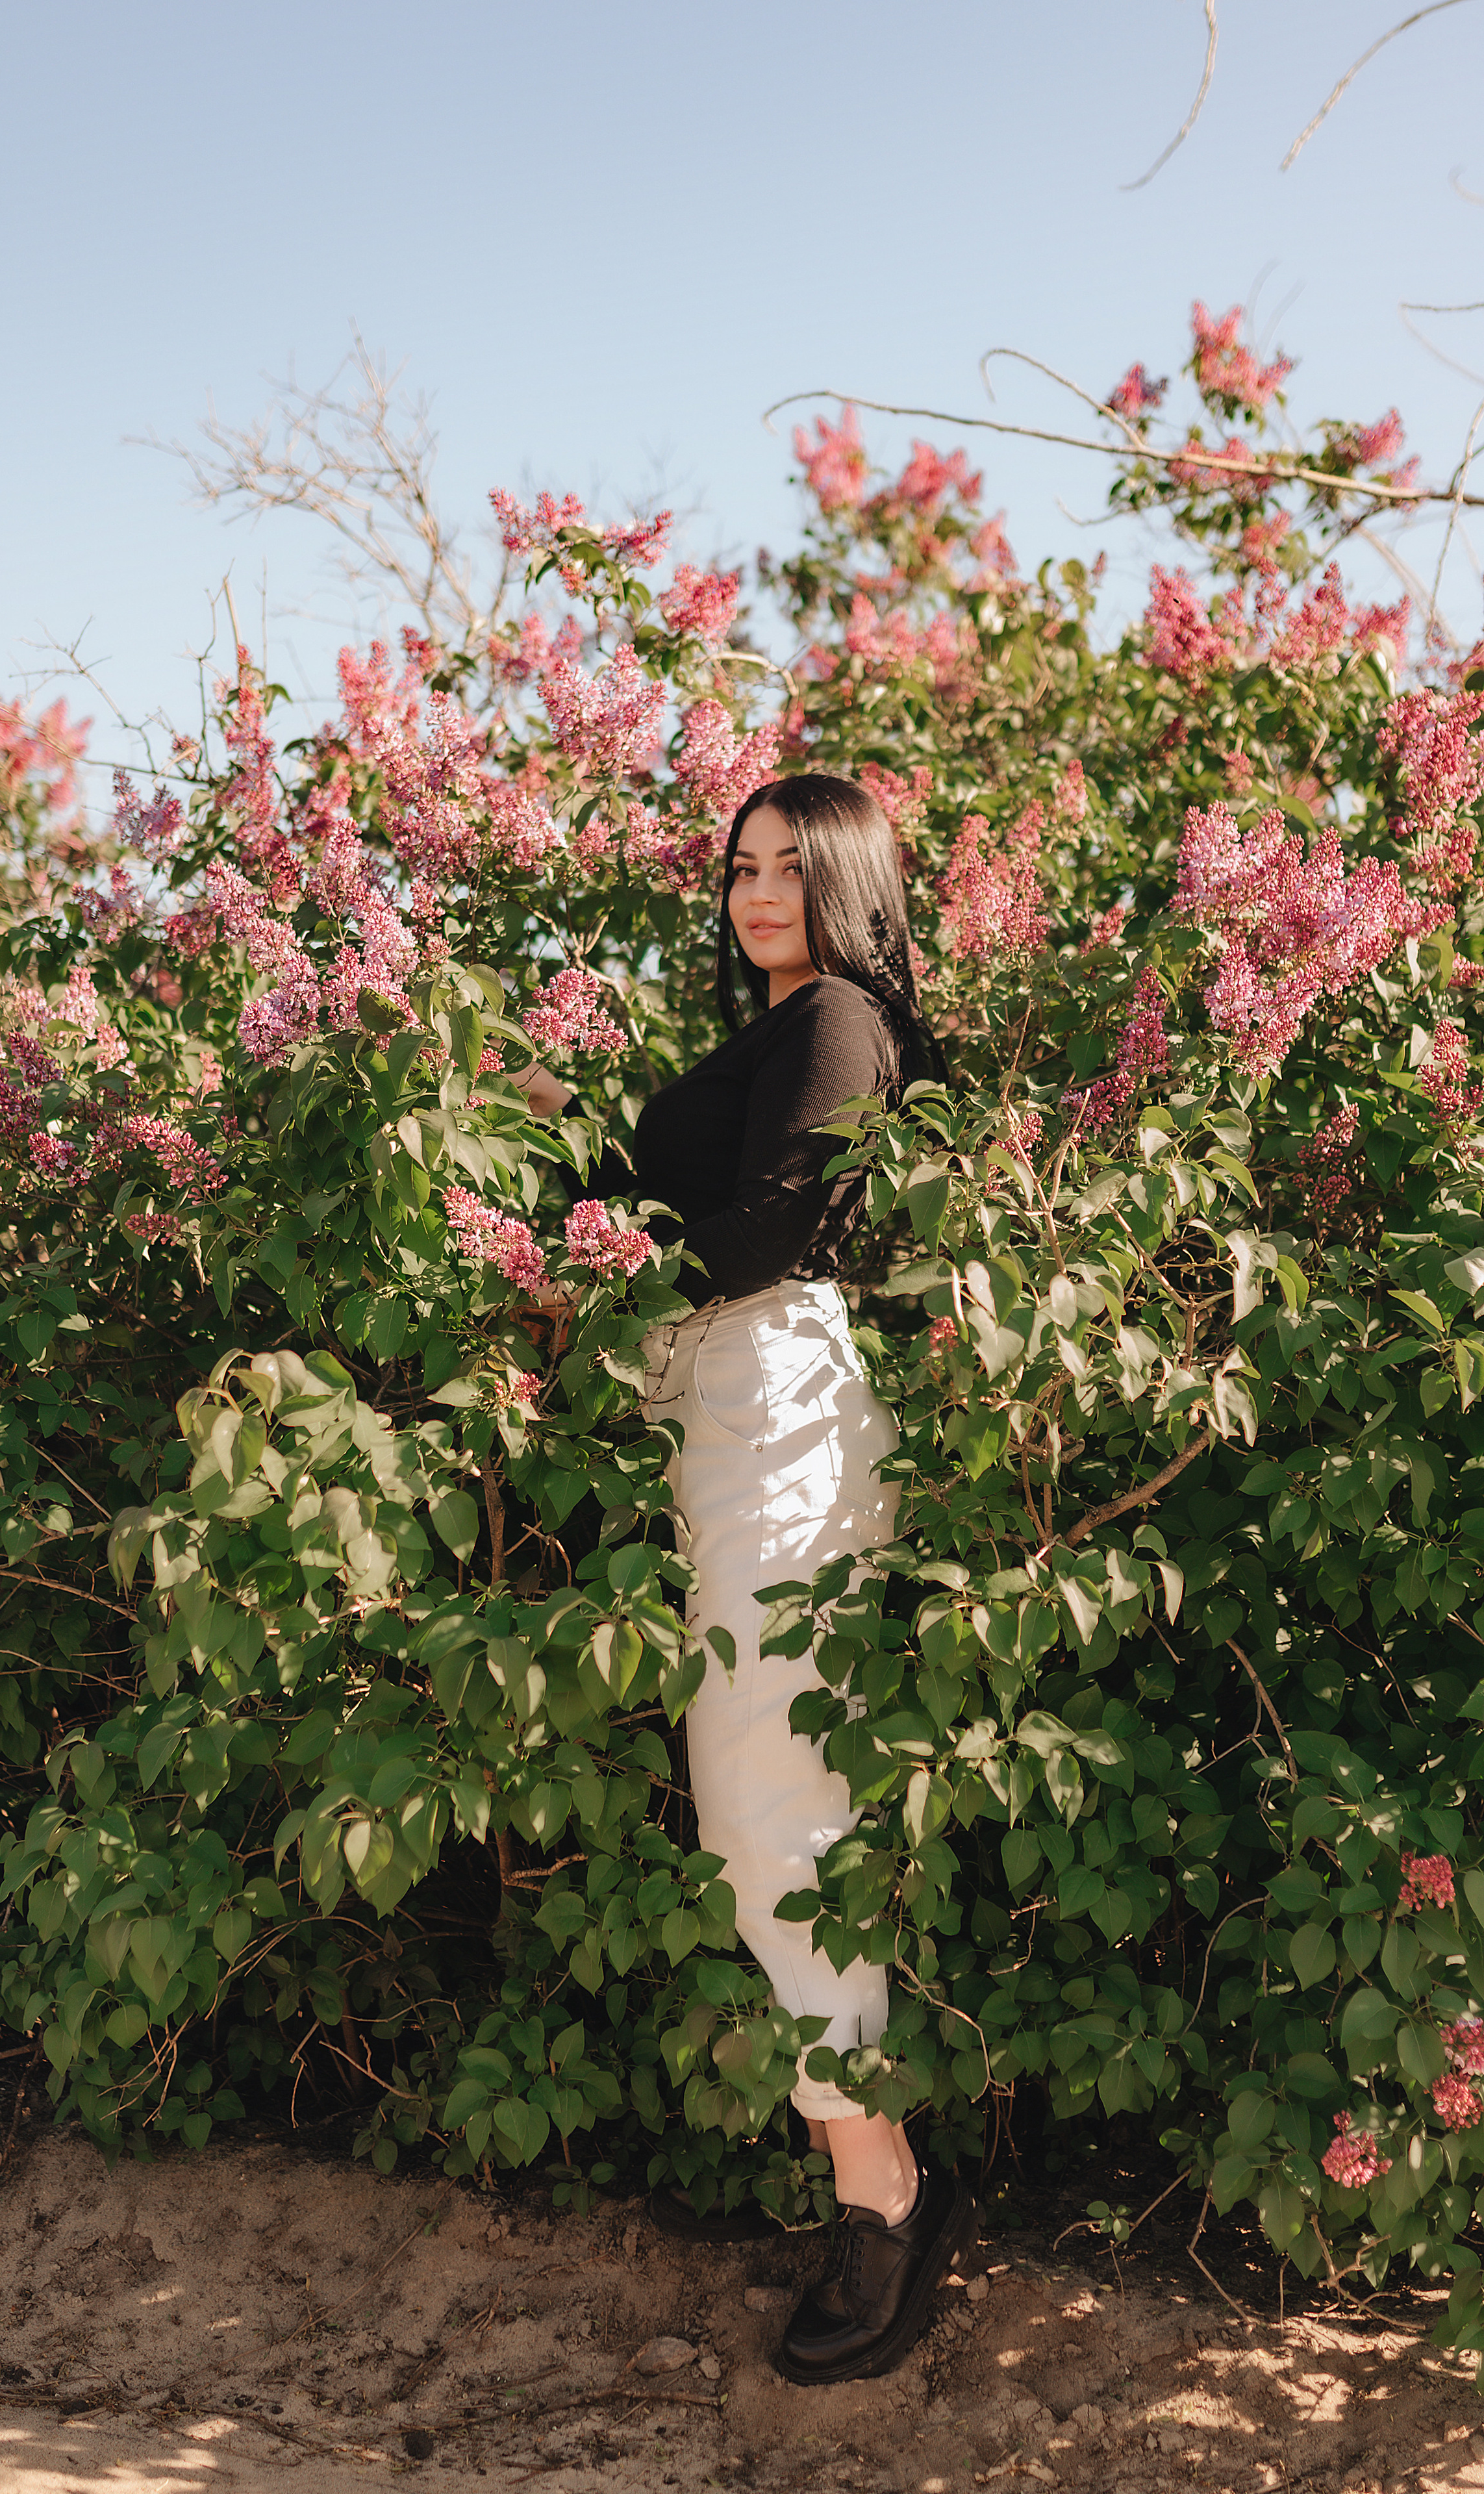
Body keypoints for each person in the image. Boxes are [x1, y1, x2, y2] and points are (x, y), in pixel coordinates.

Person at [515, 773, 976, 2385]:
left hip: (773, 1410)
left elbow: (775, 1229)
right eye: (741, 867)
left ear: (850, 882)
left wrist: (589, 1278)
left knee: (772, 1800)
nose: (758, 890)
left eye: (791, 865)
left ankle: (882, 2188)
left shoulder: (837, 1018)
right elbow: (704, 1207)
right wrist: (561, 1160)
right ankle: (872, 2161)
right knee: (755, 1800)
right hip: (723, 1408)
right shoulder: (775, 1032)